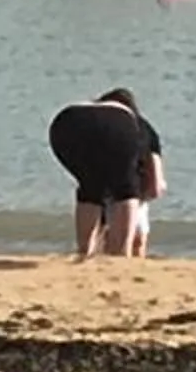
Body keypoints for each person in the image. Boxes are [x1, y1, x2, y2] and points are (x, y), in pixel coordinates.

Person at [46, 88, 166, 258]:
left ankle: (84, 250)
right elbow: (156, 187)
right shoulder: (139, 124)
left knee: (90, 186)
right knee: (126, 189)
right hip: (115, 130)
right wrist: (138, 194)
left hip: (66, 121)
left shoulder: (95, 112)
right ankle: (120, 253)